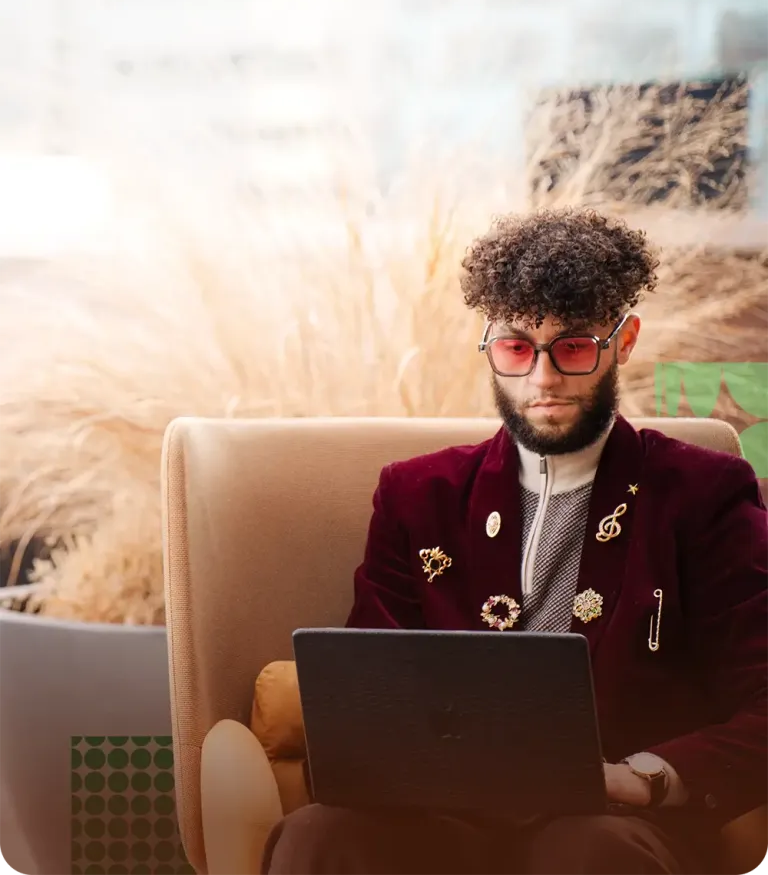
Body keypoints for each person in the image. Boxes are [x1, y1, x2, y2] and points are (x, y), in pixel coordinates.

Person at [263, 207, 768, 875]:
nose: (543, 378)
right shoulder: (417, 495)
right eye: (517, 348)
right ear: (490, 346)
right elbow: (368, 694)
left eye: (574, 346)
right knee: (316, 835)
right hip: (439, 819)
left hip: (615, 822)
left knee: (586, 854)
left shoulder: (703, 494)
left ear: (624, 340)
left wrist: (643, 778)